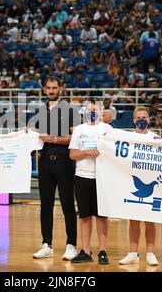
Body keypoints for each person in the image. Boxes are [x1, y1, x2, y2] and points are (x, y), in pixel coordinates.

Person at [31, 78, 78, 261]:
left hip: (64, 162)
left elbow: (74, 137)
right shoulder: (39, 111)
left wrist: (54, 139)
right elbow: (34, 136)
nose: (51, 90)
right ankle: (46, 244)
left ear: (60, 89)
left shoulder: (70, 110)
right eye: (48, 88)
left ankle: (71, 245)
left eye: (54, 88)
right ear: (44, 89)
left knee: (67, 205)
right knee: (45, 206)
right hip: (44, 164)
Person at [69, 100, 113, 264]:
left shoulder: (107, 129)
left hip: (102, 177)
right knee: (85, 216)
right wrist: (86, 152)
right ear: (84, 112)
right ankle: (86, 251)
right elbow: (72, 155)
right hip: (82, 176)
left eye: (94, 109)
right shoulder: (79, 130)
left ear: (101, 111)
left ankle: (103, 251)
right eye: (88, 110)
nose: (91, 112)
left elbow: (114, 151)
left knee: (101, 216)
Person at [119, 106, 161, 266]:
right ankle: (132, 253)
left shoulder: (156, 138)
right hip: (132, 181)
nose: (141, 120)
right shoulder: (127, 138)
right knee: (133, 220)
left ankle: (150, 253)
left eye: (144, 117)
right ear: (134, 120)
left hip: (151, 183)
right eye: (138, 117)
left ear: (149, 120)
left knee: (150, 220)